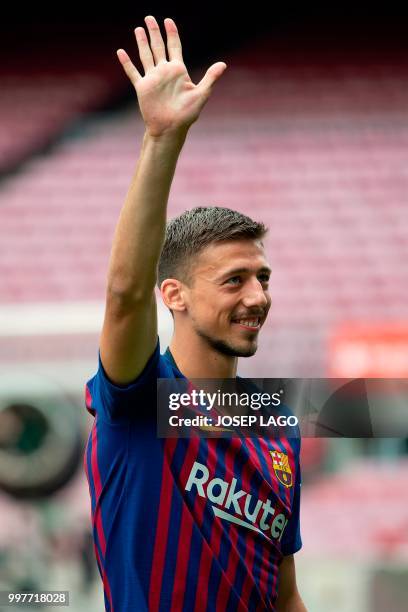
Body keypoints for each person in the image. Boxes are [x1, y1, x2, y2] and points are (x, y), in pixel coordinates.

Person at [84, 15, 306, 611]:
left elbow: (283, 596)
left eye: (262, 278)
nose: (257, 297)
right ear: (174, 294)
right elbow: (126, 292)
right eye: (233, 280)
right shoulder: (141, 399)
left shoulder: (274, 424)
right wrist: (163, 138)